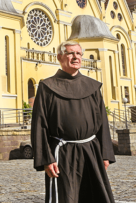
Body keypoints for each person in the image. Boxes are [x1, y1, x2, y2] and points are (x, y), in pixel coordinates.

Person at [31, 41, 115, 203]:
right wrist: (46, 159)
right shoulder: (47, 87)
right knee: (66, 197)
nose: (75, 57)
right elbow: (39, 125)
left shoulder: (92, 86)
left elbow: (102, 122)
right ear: (60, 57)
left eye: (78, 53)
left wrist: (105, 154)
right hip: (62, 153)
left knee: (95, 195)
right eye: (70, 53)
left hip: (91, 150)